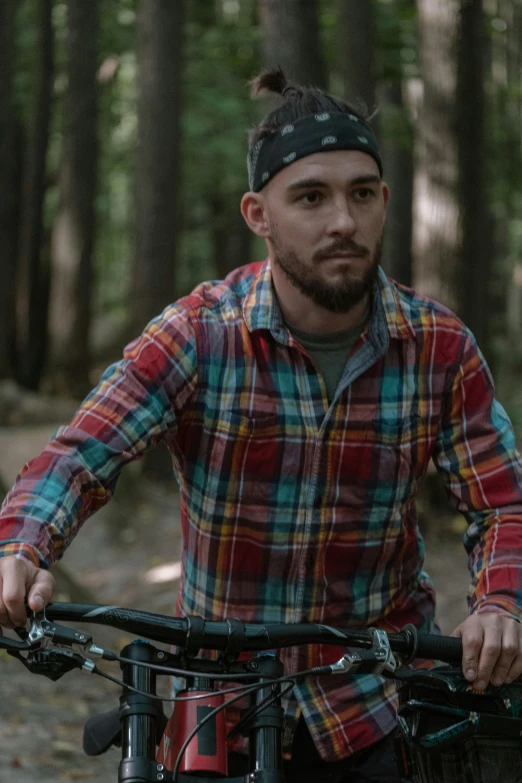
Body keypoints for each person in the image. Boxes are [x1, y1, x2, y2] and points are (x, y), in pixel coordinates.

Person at [1, 67, 522, 782]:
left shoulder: (439, 346)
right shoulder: (197, 333)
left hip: (377, 697)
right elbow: (80, 454)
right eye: (311, 197)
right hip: (221, 703)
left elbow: (501, 501)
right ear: (258, 214)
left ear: (385, 202)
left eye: (361, 194)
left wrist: (498, 603)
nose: (343, 220)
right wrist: (23, 547)